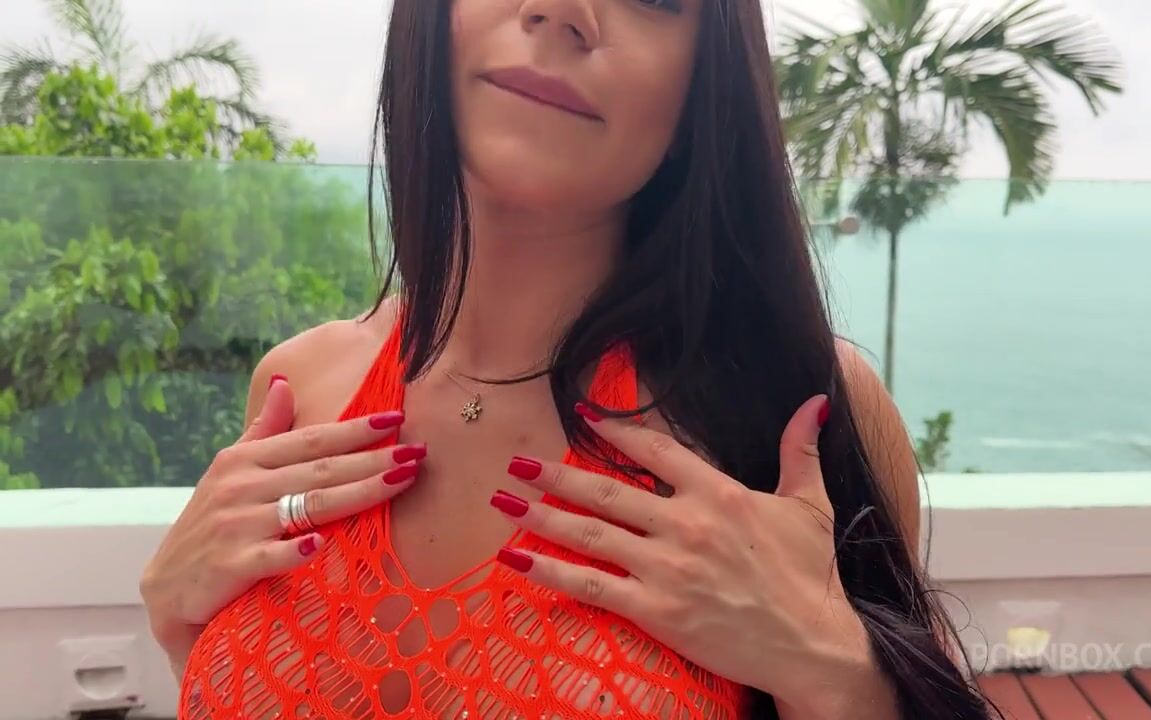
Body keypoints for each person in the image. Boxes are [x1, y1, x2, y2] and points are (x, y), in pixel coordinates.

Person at [139, 0, 995, 718]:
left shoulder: (793, 413)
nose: (562, 10)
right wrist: (178, 625)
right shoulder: (300, 385)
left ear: (704, 87)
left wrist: (835, 673)